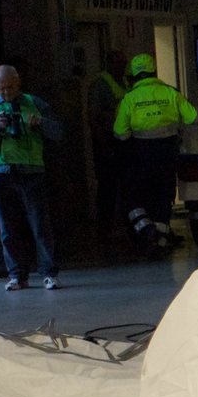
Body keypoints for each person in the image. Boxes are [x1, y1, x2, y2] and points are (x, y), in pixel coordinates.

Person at [0, 65, 63, 290]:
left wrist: (39, 123)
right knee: (7, 229)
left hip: (31, 172)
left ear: (18, 82)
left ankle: (49, 274)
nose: (6, 93)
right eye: (1, 89)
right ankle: (17, 276)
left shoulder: (35, 103)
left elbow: (58, 131)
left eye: (10, 87)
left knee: (40, 226)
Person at [113, 53, 198, 253]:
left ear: (133, 75)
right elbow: (193, 118)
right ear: (154, 71)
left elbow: (120, 133)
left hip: (140, 154)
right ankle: (160, 241)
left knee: (133, 196)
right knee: (163, 195)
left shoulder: (129, 99)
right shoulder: (171, 93)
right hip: (168, 153)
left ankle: (145, 229)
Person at [87, 50, 128, 250]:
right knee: (108, 189)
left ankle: (129, 228)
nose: (124, 66)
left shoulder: (125, 83)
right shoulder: (100, 85)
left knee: (128, 187)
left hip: (124, 141)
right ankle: (105, 231)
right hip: (108, 142)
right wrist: (103, 145)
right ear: (110, 63)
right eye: (120, 62)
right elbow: (94, 117)